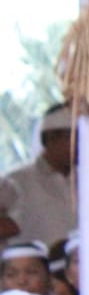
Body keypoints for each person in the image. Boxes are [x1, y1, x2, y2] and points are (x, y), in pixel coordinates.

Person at [0, 104, 76, 245]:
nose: (79, 144)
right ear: (51, 138)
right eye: (73, 137)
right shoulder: (16, 181)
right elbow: (11, 227)